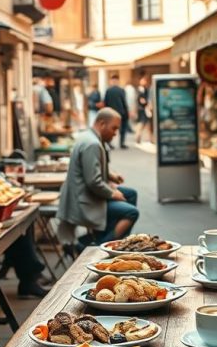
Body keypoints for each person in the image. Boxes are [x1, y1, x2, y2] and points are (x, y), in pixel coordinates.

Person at [57, 108, 139, 244]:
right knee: (132, 212)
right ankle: (103, 246)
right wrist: (113, 194)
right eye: (114, 128)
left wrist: (110, 176)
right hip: (84, 201)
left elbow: (91, 168)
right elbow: (94, 182)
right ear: (102, 124)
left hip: (86, 194)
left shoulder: (88, 136)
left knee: (131, 194)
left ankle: (104, 235)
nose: (115, 134)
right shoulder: (92, 144)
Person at [103, 74, 129, 148]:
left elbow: (105, 103)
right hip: (121, 113)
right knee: (122, 129)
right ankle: (122, 143)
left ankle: (109, 143)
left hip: (111, 113)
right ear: (117, 81)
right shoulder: (121, 90)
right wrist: (127, 112)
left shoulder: (108, 91)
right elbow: (124, 102)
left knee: (111, 128)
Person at [135, 74, 152, 144]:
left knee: (148, 124)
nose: (144, 82)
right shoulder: (140, 89)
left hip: (146, 108)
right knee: (141, 124)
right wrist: (147, 103)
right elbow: (141, 100)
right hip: (142, 109)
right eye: (143, 80)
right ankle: (138, 137)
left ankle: (150, 138)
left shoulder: (146, 89)